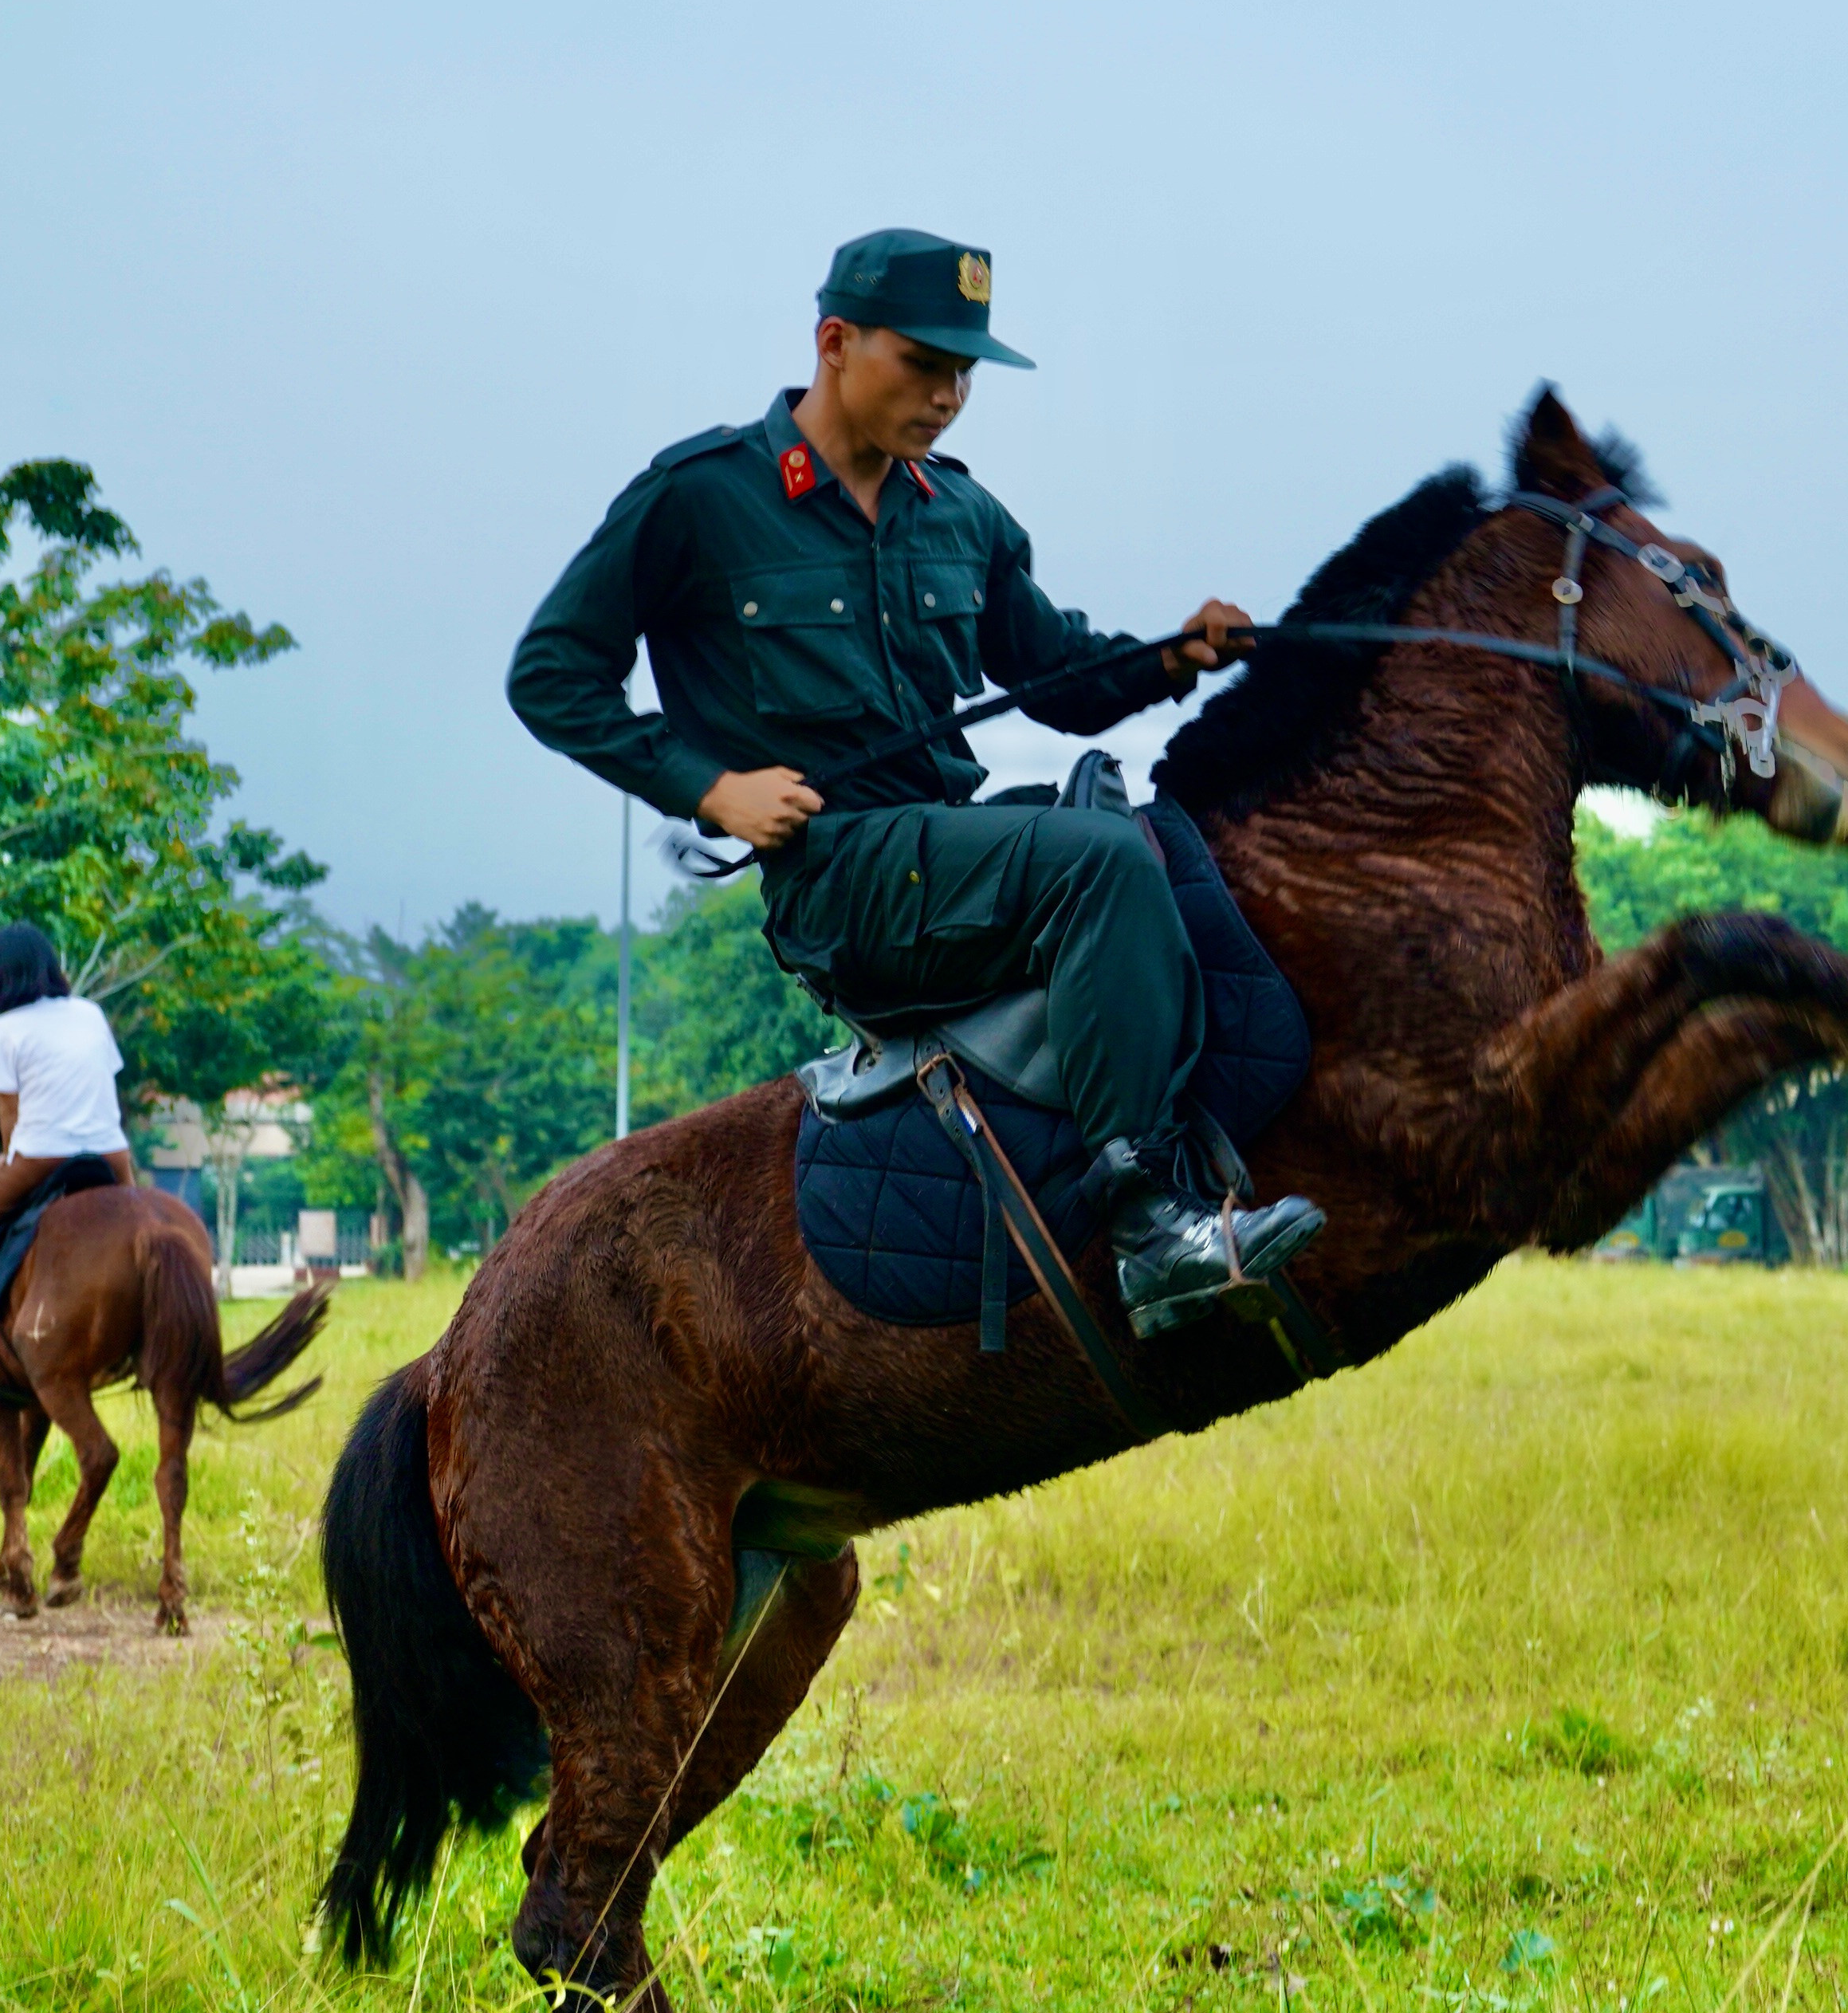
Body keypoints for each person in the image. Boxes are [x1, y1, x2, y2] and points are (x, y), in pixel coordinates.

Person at [508, 229, 1320, 1335]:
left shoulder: (961, 515)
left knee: (1165, 847)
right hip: (840, 884)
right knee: (1098, 866)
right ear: (834, 343)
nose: (947, 396)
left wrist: (1174, 655)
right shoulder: (700, 497)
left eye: (965, 374)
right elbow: (550, 676)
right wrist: (712, 790)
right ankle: (1148, 1226)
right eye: (923, 364)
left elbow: (1057, 673)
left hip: (947, 852)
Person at [0, 923, 137, 1241]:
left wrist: (8, 1156)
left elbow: (9, 1112)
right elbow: (107, 1081)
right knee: (142, 1218)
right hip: (111, 1151)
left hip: (42, 1155)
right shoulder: (90, 1013)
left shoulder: (2, 1029)